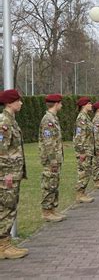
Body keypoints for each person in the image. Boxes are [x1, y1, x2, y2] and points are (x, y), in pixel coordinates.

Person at [0, 89, 29, 259]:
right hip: (6, 175)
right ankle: (4, 245)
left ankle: (5, 243)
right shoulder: (4, 122)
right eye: (18, 100)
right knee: (6, 208)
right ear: (10, 103)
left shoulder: (11, 121)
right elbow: (1, 151)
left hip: (12, 172)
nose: (21, 103)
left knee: (10, 207)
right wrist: (7, 174)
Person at [39, 94, 65, 223]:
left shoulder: (53, 118)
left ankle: (52, 209)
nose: (61, 105)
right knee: (49, 184)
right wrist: (53, 160)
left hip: (55, 158)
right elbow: (48, 142)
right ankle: (46, 211)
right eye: (60, 103)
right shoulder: (48, 120)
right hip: (51, 160)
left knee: (54, 184)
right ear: (56, 104)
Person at [74, 97, 95, 203]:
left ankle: (82, 192)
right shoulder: (81, 118)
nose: (91, 105)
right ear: (84, 105)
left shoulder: (86, 117)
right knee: (83, 172)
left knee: (87, 171)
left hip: (88, 150)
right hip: (84, 151)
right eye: (89, 103)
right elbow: (79, 136)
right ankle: (79, 194)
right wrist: (81, 151)